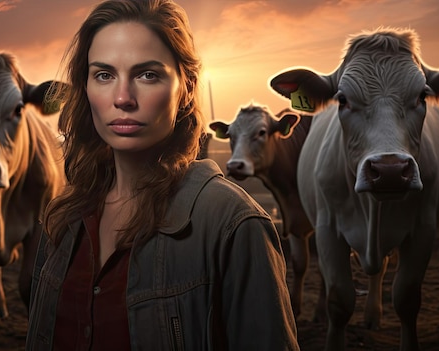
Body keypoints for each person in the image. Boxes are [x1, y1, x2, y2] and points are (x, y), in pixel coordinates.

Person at [26, 0, 299, 350]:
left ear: (186, 87)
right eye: (104, 75)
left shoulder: (233, 225)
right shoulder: (62, 218)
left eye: (147, 74)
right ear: (86, 87)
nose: (123, 98)